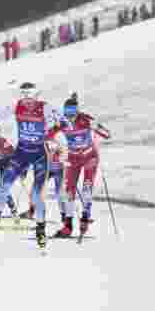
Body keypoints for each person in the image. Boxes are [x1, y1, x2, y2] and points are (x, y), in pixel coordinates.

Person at [0, 81, 61, 249]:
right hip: (21, 152)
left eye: (29, 96)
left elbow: (63, 123)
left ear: (36, 95)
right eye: (23, 96)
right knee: (4, 185)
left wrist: (51, 135)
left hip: (39, 154)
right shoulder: (16, 106)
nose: (27, 100)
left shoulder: (45, 107)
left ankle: (40, 229)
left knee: (37, 195)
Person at [46, 93, 111, 238]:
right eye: (67, 113)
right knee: (68, 192)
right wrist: (53, 146)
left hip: (89, 157)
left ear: (77, 111)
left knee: (86, 189)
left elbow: (107, 133)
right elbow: (47, 136)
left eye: (72, 113)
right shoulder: (62, 122)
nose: (70, 117)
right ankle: (68, 226)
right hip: (73, 158)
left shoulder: (85, 119)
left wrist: (98, 130)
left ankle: (85, 217)